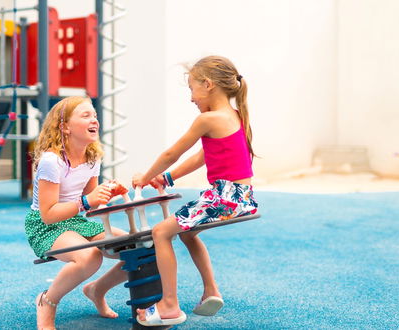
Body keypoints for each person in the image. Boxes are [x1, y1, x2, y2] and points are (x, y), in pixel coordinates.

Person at [132, 55, 258, 327]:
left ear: (208, 84)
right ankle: (211, 291)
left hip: (226, 194)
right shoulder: (234, 116)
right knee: (188, 234)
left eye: (192, 89)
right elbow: (203, 156)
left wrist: (145, 177)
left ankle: (168, 305)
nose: (191, 98)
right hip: (241, 196)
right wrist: (167, 178)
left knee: (160, 232)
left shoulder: (207, 119)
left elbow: (171, 152)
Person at [25, 96, 128, 330]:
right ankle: (47, 301)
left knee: (137, 248)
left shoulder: (93, 156)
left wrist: (107, 193)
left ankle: (96, 289)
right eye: (85, 115)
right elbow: (48, 214)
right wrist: (86, 202)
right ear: (64, 127)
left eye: (94, 115)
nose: (94, 120)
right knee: (89, 256)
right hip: (45, 226)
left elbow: (90, 203)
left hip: (74, 220)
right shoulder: (52, 161)